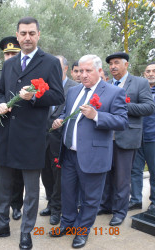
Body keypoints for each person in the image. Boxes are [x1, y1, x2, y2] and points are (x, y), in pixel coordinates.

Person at [0, 16, 64, 250]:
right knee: (3, 186)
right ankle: (2, 224)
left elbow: (58, 96)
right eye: (23, 33)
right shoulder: (8, 64)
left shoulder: (49, 63)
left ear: (38, 35)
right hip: (7, 135)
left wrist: (35, 96)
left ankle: (26, 232)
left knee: (31, 190)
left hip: (32, 136)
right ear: (17, 36)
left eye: (32, 33)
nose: (27, 37)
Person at [49, 54, 128, 248]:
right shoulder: (74, 91)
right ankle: (67, 224)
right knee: (67, 193)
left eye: (88, 71)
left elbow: (122, 122)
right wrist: (60, 120)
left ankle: (82, 231)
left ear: (99, 71)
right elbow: (67, 113)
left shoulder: (113, 92)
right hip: (68, 154)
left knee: (91, 198)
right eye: (80, 70)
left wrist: (96, 115)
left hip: (94, 156)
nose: (83, 75)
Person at [99, 52, 155, 226]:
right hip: (107, 137)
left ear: (126, 65)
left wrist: (124, 105)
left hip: (127, 136)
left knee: (122, 177)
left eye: (117, 63)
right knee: (107, 174)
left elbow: (149, 107)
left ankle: (119, 211)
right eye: (110, 64)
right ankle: (106, 205)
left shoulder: (140, 83)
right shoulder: (106, 85)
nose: (113, 66)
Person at [0, 36, 24, 221]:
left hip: (20, 132)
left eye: (14, 54)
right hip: (1, 131)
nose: (10, 57)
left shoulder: (26, 74)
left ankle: (16, 205)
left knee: (18, 171)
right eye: (7, 54)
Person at [40, 55, 78, 225]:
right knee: (46, 174)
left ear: (64, 69)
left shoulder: (75, 88)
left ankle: (57, 209)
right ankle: (50, 202)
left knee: (59, 177)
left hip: (62, 140)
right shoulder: (43, 87)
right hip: (43, 140)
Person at [129, 62, 155, 212]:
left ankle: (154, 202)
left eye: (153, 71)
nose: (150, 74)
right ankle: (136, 200)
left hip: (153, 138)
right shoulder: (140, 91)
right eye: (148, 71)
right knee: (135, 170)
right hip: (137, 137)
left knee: (154, 171)